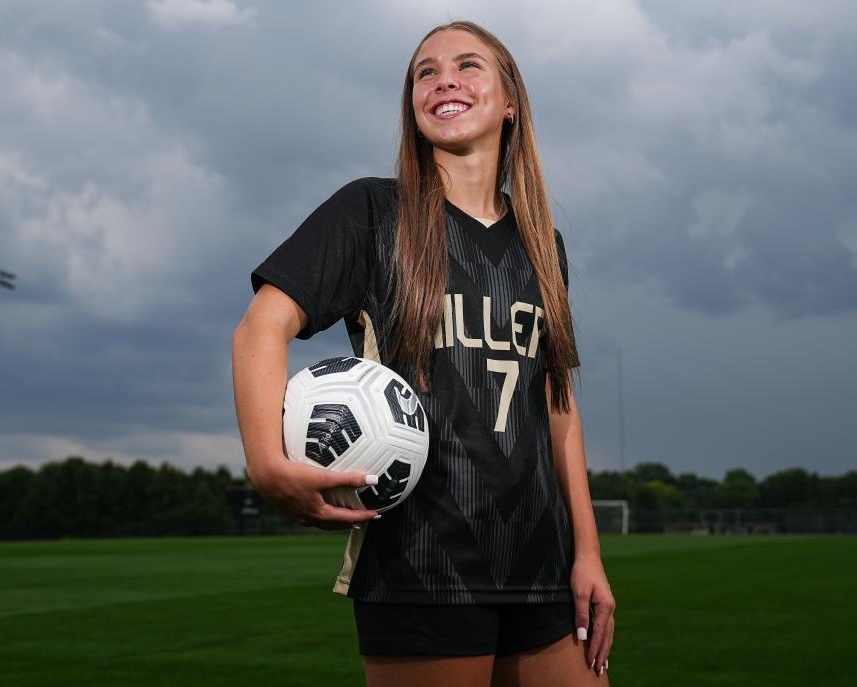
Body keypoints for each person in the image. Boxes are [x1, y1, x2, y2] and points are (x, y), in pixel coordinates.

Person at [232, 19, 615, 687]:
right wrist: (267, 462)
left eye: (469, 66)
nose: (444, 80)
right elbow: (259, 328)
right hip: (421, 563)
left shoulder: (542, 245)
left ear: (510, 101)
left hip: (544, 567)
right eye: (425, 72)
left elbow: (558, 407)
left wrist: (588, 551)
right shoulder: (372, 213)